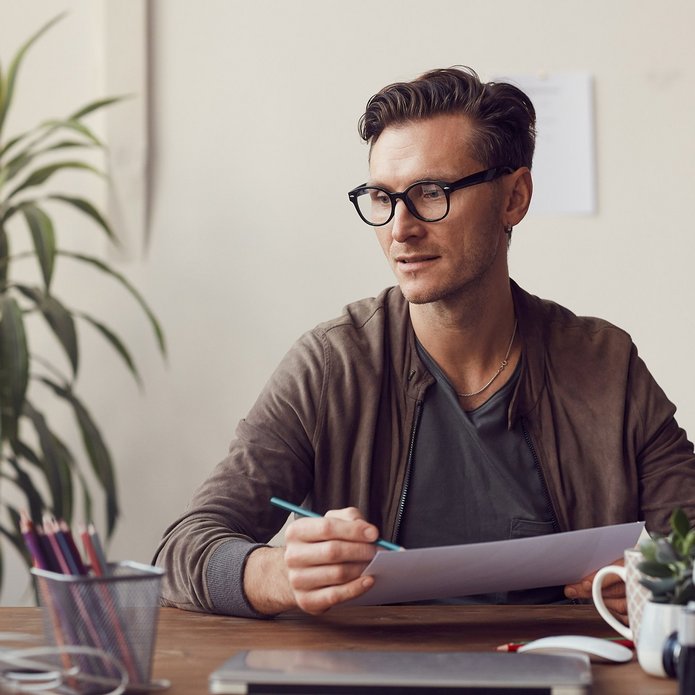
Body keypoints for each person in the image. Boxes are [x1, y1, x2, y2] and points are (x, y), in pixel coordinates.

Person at [153, 66, 695, 620]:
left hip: (563, 666)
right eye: (382, 198)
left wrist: (663, 577)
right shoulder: (333, 365)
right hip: (372, 671)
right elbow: (181, 552)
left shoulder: (605, 366)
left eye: (431, 193)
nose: (399, 228)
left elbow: (691, 541)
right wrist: (276, 573)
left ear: (515, 198)